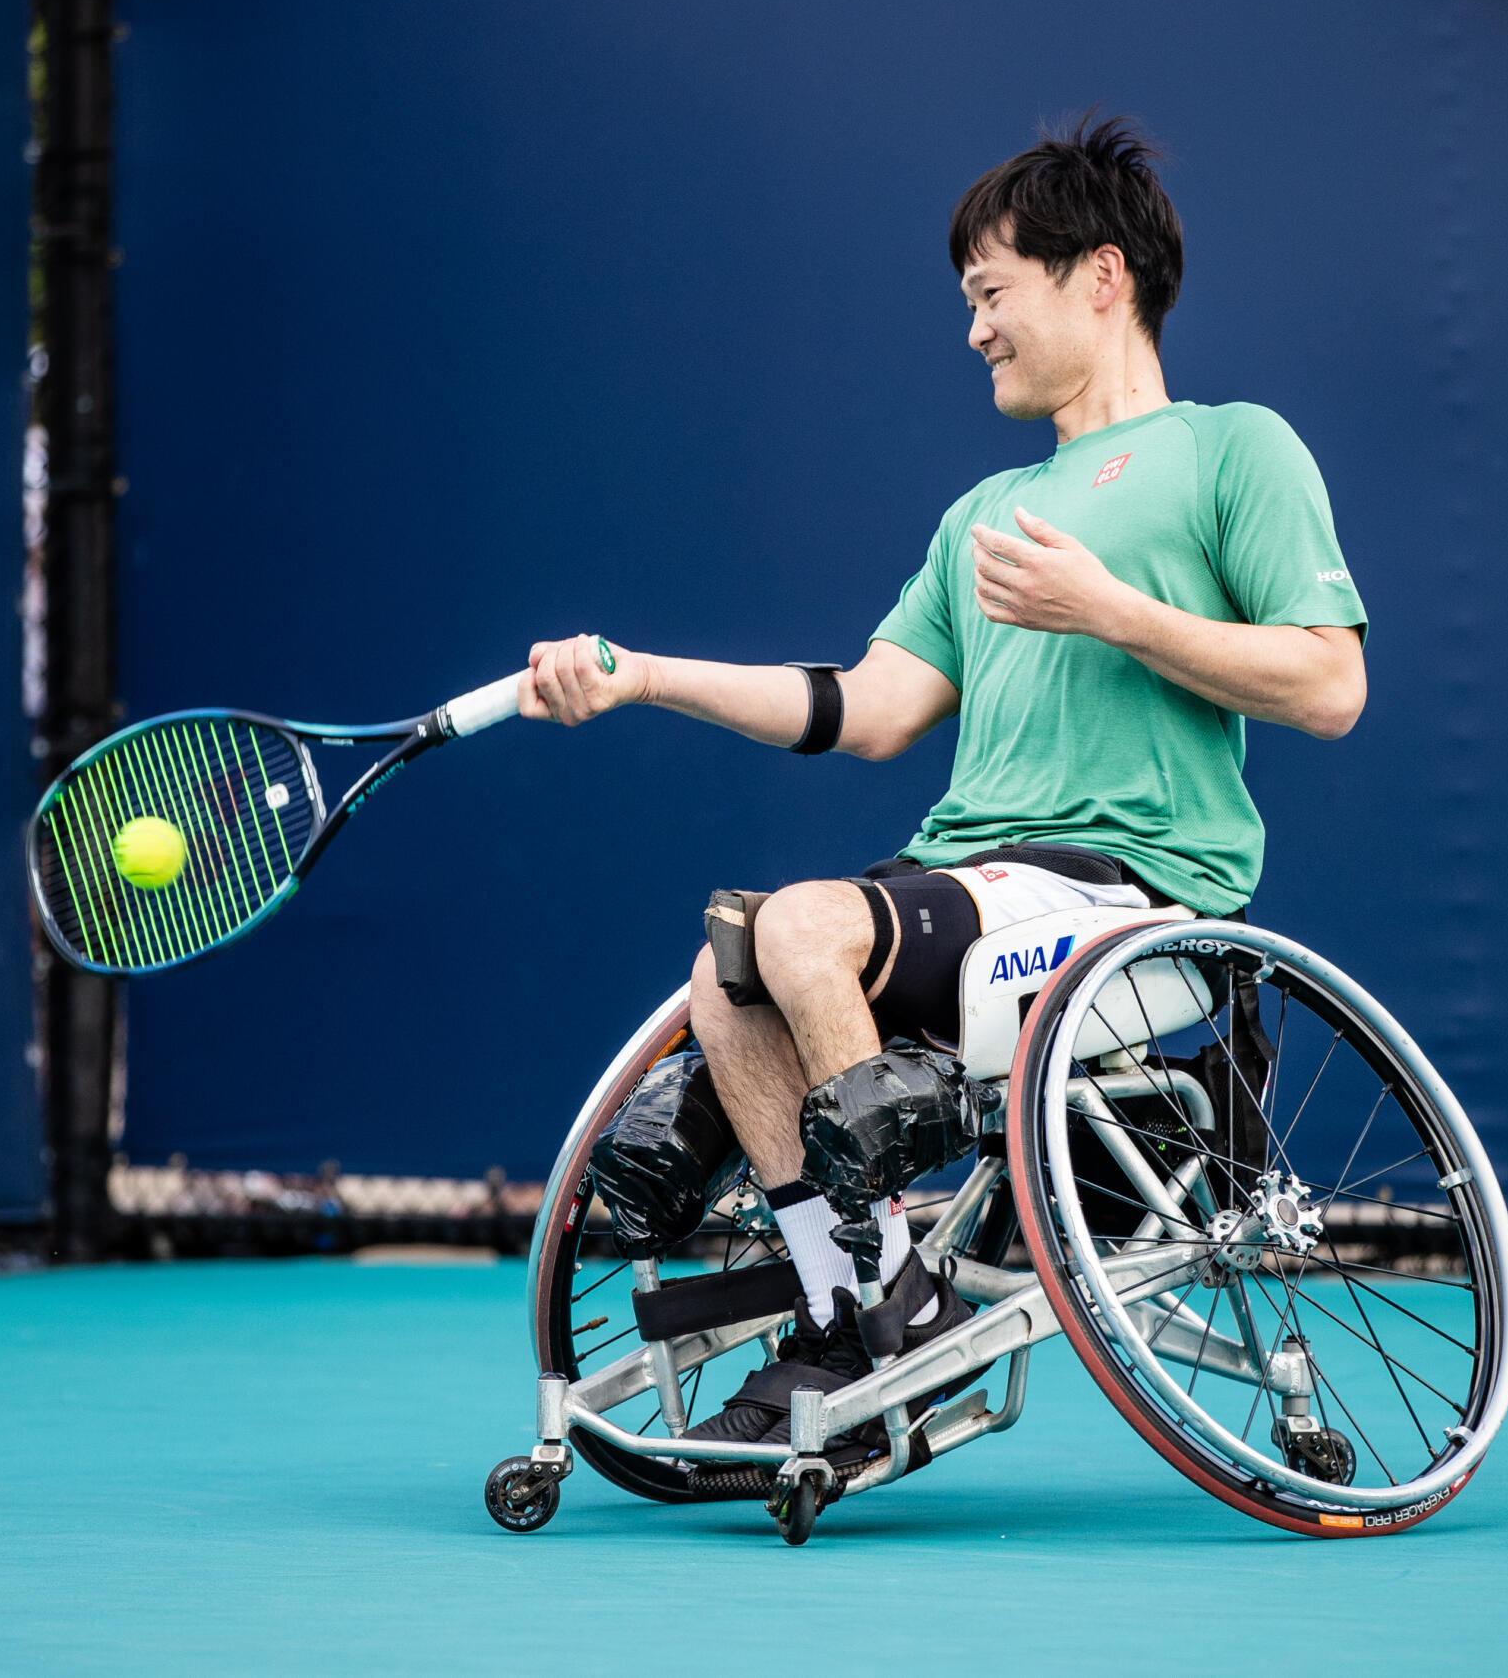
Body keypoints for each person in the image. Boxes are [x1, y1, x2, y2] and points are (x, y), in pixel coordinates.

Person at [519, 116, 1368, 1448]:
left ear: (1100, 276)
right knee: (728, 967)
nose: (971, 330)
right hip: (970, 885)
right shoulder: (981, 517)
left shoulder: (1232, 450)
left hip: (1129, 897)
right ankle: (855, 1304)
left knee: (796, 924)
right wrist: (645, 676)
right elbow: (866, 710)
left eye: (989, 294)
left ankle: (890, 1300)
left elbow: (1329, 685)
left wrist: (1113, 609)